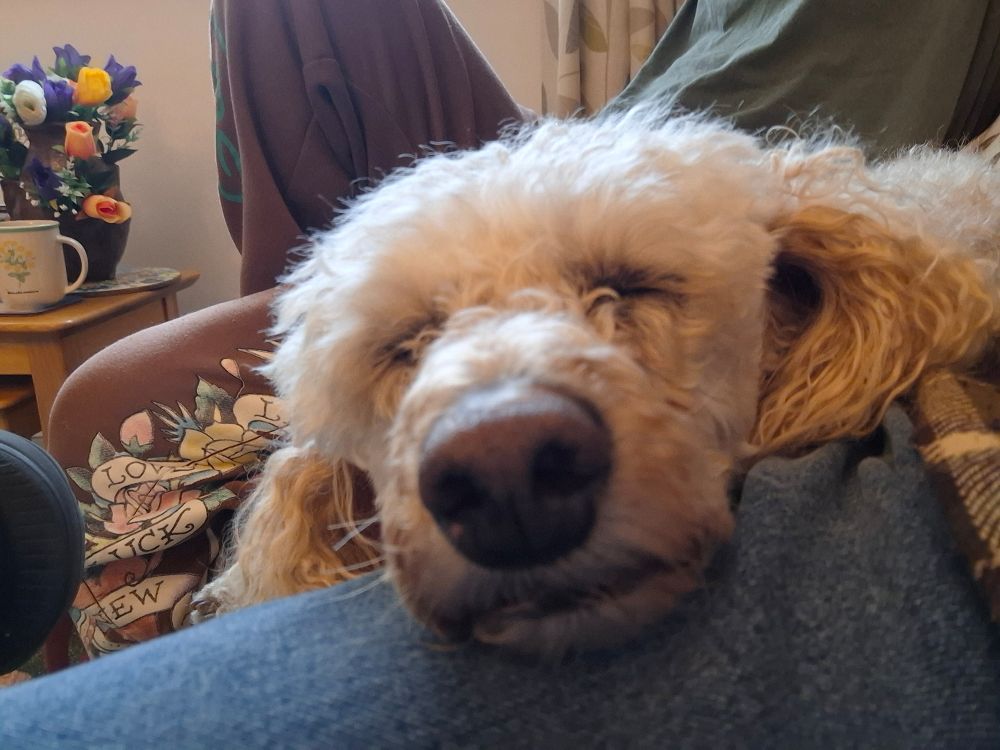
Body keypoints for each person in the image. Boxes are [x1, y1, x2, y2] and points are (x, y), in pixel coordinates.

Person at [3, 0, 997, 744]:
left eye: (630, 291)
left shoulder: (833, 221)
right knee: (102, 387)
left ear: (798, 307)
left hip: (705, 181)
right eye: (406, 350)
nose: (498, 448)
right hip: (613, 141)